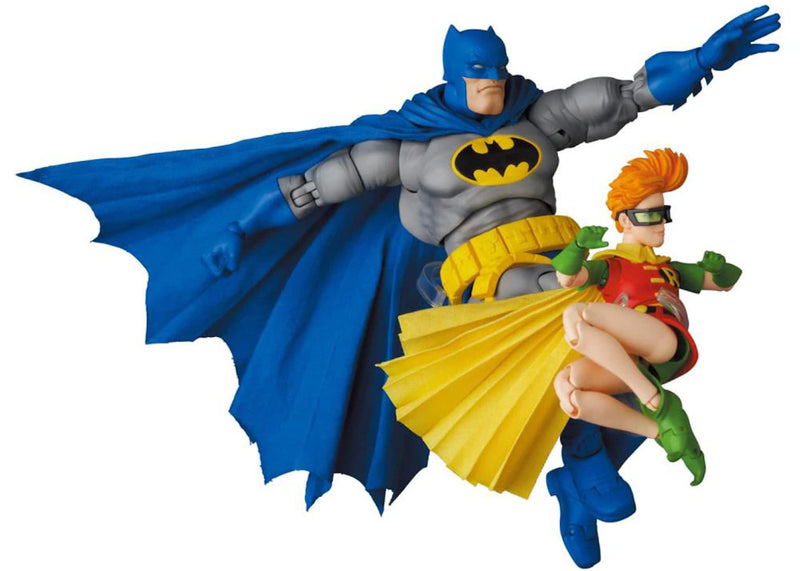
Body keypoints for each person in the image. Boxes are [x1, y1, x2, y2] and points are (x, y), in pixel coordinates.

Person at [18, 8, 774, 569]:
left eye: (498, 72)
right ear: (454, 75)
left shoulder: (537, 120)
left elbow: (624, 95)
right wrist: (239, 229)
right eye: (479, 75)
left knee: (639, 336)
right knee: (572, 316)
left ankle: (583, 469)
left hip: (562, 254)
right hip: (489, 278)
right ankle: (587, 462)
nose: (492, 85)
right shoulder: (414, 150)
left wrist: (699, 63)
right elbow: (318, 185)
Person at [550, 148, 741, 487]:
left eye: (664, 214)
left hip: (665, 340)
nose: (661, 224)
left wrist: (720, 268)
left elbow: (724, 282)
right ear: (624, 221)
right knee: (569, 388)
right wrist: (578, 247)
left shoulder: (669, 268)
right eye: (651, 216)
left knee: (576, 315)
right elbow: (567, 277)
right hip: (636, 365)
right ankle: (659, 430)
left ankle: (655, 401)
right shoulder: (611, 265)